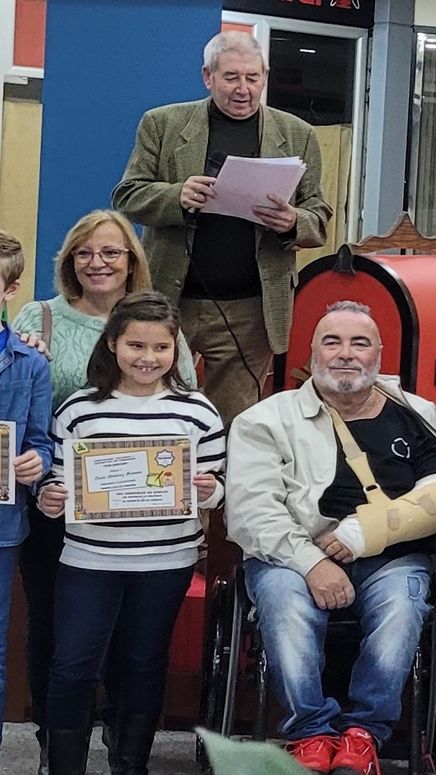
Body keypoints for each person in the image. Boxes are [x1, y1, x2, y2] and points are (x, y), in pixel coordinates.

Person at [226, 301, 436, 775]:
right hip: (292, 556)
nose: (346, 354)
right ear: (312, 352)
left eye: (359, 343)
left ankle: (363, 735)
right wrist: (312, 563)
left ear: (379, 354)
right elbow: (252, 512)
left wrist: (363, 535)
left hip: (392, 560)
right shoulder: (263, 421)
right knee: (284, 604)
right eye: (332, 342)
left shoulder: (419, 415)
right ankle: (311, 732)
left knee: (403, 606)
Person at [10, 210, 198, 773]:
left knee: (134, 645)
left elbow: (181, 405)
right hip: (53, 501)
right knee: (56, 634)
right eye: (86, 252)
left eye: (112, 252)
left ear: (132, 262)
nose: (98, 262)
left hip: (142, 519)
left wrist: (197, 486)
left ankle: (123, 744)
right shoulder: (36, 317)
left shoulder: (160, 327)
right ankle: (54, 746)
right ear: (69, 260)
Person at [34, 293, 225, 775]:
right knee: (72, 665)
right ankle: (63, 766)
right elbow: (56, 480)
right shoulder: (80, 408)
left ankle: (130, 764)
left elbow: (217, 489)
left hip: (165, 562)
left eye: (161, 347)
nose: (147, 357)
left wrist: (208, 490)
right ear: (113, 344)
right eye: (136, 345)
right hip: (88, 559)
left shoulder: (198, 411)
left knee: (143, 662)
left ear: (176, 349)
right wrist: (50, 497)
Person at [112, 30, 331, 426]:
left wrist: (292, 222)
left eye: (253, 78)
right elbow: (127, 196)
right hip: (169, 297)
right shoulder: (162, 124)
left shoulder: (299, 134)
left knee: (236, 420)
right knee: (153, 408)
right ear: (207, 76)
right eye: (231, 77)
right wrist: (176, 196)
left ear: (265, 76)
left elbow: (318, 215)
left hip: (251, 306)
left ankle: (222, 488)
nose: (243, 89)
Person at [0, 230, 52, 751]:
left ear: (10, 291)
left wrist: (38, 462)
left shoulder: (31, 363)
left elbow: (42, 442)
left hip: (2, 524)